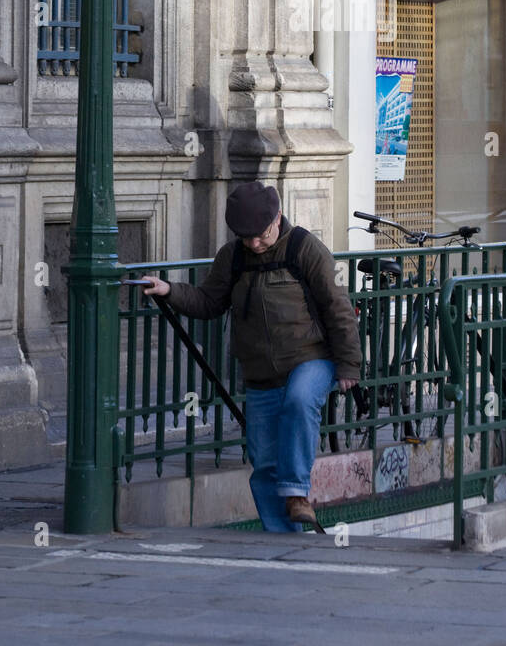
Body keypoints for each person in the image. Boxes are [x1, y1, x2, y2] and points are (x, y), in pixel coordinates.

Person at [141, 182, 361, 532]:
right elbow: (209, 301)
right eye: (246, 237)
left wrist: (349, 364)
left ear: (276, 219)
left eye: (260, 235)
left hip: (311, 358)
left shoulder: (306, 248)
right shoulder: (233, 256)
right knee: (263, 462)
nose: (254, 243)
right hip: (259, 371)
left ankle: (297, 493)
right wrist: (170, 291)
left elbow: (338, 308)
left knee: (300, 401)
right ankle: (283, 538)